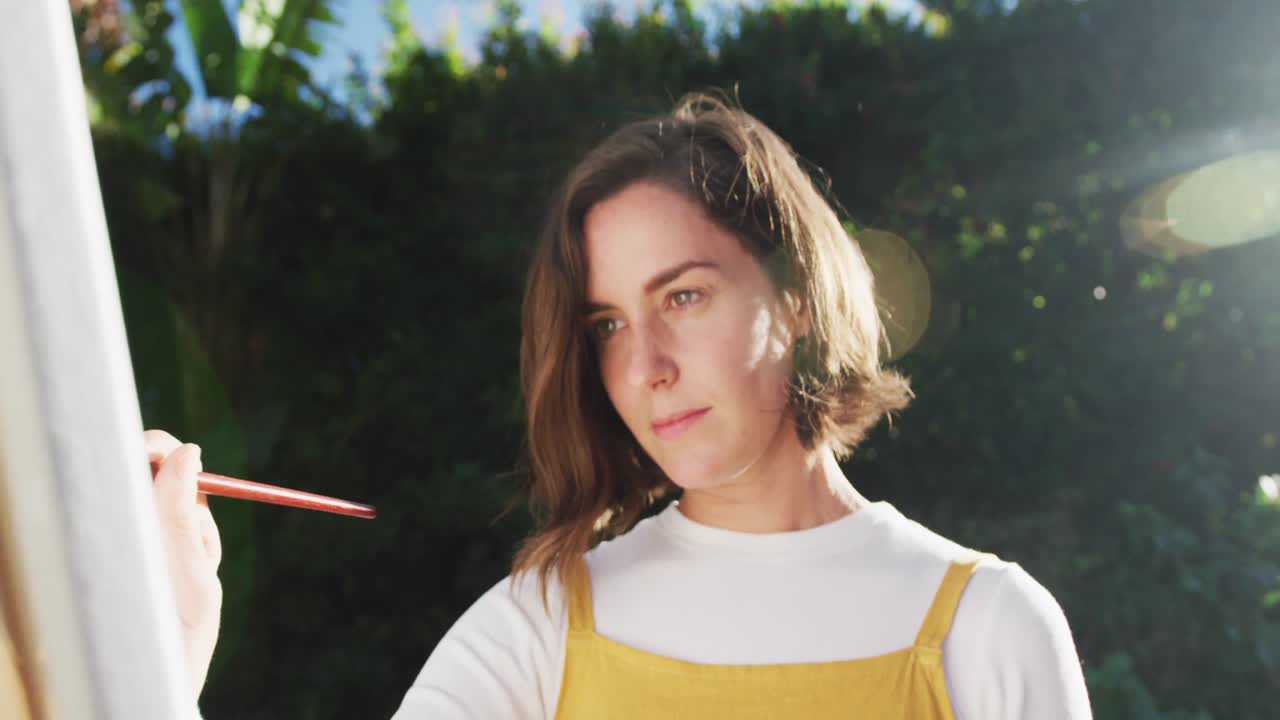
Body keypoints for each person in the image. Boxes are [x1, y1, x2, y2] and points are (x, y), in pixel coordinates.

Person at [147, 93, 1094, 719]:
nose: (644, 365)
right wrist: (160, 650)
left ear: (794, 297)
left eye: (683, 297)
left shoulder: (992, 629)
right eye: (605, 323)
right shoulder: (541, 627)